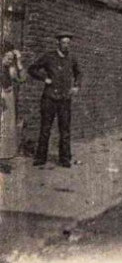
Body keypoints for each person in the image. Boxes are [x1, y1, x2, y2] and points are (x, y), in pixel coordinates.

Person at [28, 32, 81, 168]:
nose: (66, 45)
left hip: (64, 99)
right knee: (45, 128)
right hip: (49, 98)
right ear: (58, 43)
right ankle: (40, 158)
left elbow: (78, 73)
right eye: (64, 42)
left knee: (65, 130)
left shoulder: (72, 58)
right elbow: (32, 69)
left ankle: (64, 159)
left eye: (68, 43)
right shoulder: (49, 57)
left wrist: (76, 86)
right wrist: (44, 78)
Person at [0, 42, 26, 173]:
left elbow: (22, 79)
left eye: (12, 59)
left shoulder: (10, 69)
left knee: (7, 128)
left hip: (8, 98)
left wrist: (19, 62)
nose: (10, 61)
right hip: (2, 97)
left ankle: (2, 159)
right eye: (7, 58)